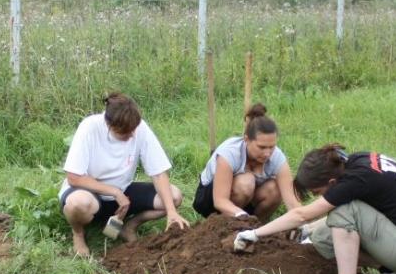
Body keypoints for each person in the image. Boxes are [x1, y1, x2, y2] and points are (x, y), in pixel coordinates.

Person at [233, 144, 396, 274]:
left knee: (344, 211)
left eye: (316, 192)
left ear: (331, 182)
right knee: (322, 238)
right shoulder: (356, 162)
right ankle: (386, 269)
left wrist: (255, 234)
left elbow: (302, 214)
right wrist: (307, 231)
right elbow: (319, 219)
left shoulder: (355, 181)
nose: (318, 196)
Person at [60, 93, 189, 257]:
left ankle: (128, 226)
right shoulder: (90, 127)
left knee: (174, 196)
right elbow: (74, 177)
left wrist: (171, 212)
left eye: (133, 130)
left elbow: (158, 172)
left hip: (123, 192)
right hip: (89, 193)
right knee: (77, 204)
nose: (132, 135)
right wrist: (114, 192)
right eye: (125, 132)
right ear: (109, 125)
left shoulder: (139, 127)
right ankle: (78, 235)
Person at [193, 103, 304, 221]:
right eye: (261, 147)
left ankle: (256, 227)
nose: (267, 153)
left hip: (247, 202)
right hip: (212, 201)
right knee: (246, 182)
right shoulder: (229, 153)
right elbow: (220, 201)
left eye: (271, 147)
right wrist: (243, 218)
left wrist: (303, 223)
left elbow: (292, 201)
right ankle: (227, 226)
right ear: (246, 140)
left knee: (275, 189)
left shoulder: (277, 157)